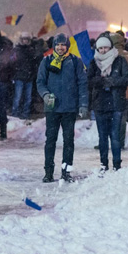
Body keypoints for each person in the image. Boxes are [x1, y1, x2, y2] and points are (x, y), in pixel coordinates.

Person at [36, 33, 89, 183]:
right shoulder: (46, 61)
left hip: (69, 108)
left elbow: (82, 84)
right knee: (50, 141)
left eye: (63, 44)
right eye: (58, 44)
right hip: (52, 109)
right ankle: (48, 172)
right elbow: (40, 82)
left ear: (67, 46)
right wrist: (46, 95)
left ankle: (66, 172)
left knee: (68, 142)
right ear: (54, 46)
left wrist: (83, 104)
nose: (60, 47)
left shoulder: (75, 62)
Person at [87, 34, 128, 173]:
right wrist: (100, 81)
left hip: (116, 103)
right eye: (101, 48)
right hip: (100, 104)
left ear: (111, 47)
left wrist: (112, 81)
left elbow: (127, 78)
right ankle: (103, 164)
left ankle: (117, 164)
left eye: (106, 47)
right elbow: (88, 80)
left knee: (115, 137)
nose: (104, 50)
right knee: (102, 137)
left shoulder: (120, 61)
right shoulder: (94, 63)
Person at [111, 32, 128, 146]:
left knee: (110, 118)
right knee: (122, 118)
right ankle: (120, 142)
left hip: (111, 92)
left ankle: (110, 140)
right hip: (126, 92)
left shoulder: (110, 54)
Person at [11, 32, 39, 119]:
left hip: (28, 77)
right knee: (18, 97)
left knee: (28, 98)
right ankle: (15, 114)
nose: (25, 41)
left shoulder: (31, 50)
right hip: (19, 76)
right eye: (24, 39)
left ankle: (25, 114)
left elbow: (34, 64)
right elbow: (12, 63)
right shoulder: (17, 50)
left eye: (27, 39)